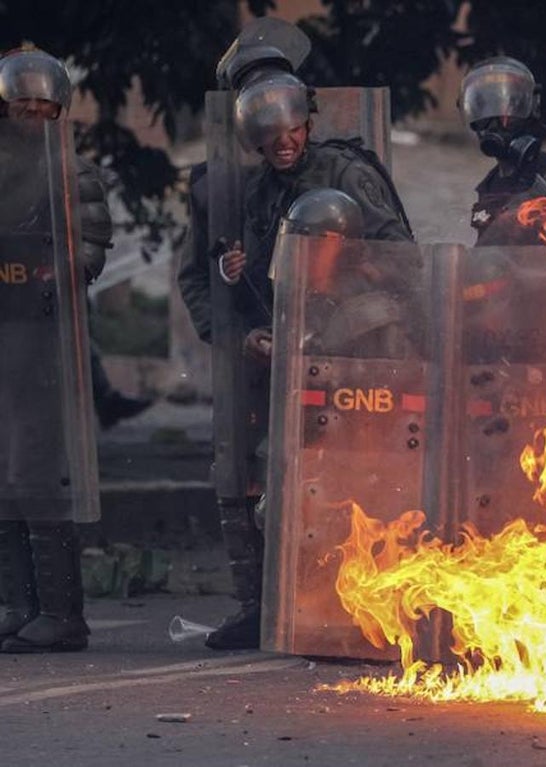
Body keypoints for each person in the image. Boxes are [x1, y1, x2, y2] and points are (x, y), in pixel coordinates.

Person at [202, 71, 414, 650]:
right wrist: (255, 316)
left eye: (293, 131)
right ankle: (280, 607)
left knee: (365, 482)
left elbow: (400, 259)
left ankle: (368, 613)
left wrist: (348, 282)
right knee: (274, 481)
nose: (286, 144)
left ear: (308, 124)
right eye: (272, 140)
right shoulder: (259, 193)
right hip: (294, 347)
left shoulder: (347, 173)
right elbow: (270, 282)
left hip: (358, 345)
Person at [0, 46, 107, 652]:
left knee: (40, 473)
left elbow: (87, 248)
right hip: (1, 338)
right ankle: (18, 604)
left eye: (43, 105)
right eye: (22, 104)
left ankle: (62, 614)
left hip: (45, 341)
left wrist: (45, 267)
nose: (33, 114)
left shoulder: (74, 172)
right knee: (5, 473)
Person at [459, 56, 546, 246]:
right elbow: (486, 257)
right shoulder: (489, 185)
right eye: (483, 113)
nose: (493, 125)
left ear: (530, 109)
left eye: (504, 113)